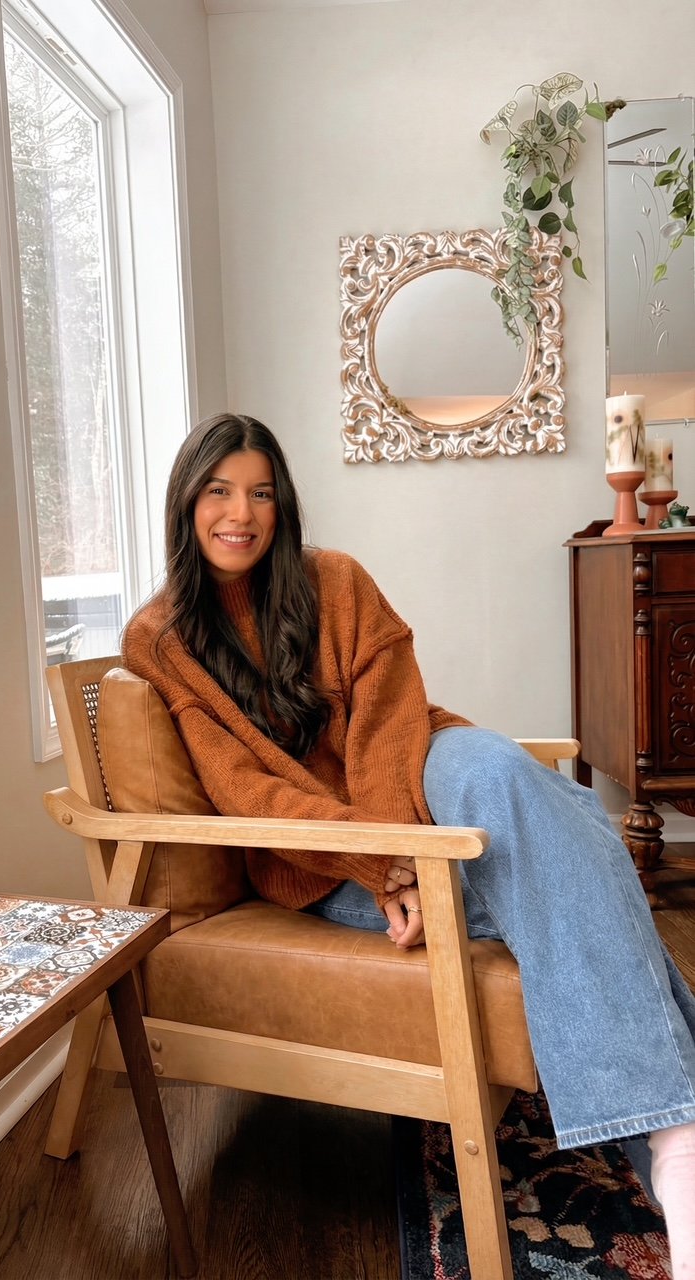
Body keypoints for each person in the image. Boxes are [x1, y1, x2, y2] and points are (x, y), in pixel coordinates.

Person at [122, 412, 695, 1277]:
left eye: (261, 493)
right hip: (321, 859)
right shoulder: (160, 639)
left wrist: (405, 851)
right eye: (219, 491)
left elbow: (390, 719)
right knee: (578, 839)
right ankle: (680, 1147)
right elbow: (243, 785)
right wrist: (380, 863)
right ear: (185, 502)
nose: (241, 513)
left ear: (283, 505)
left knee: (495, 769)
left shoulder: (334, 580)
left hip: (422, 772)